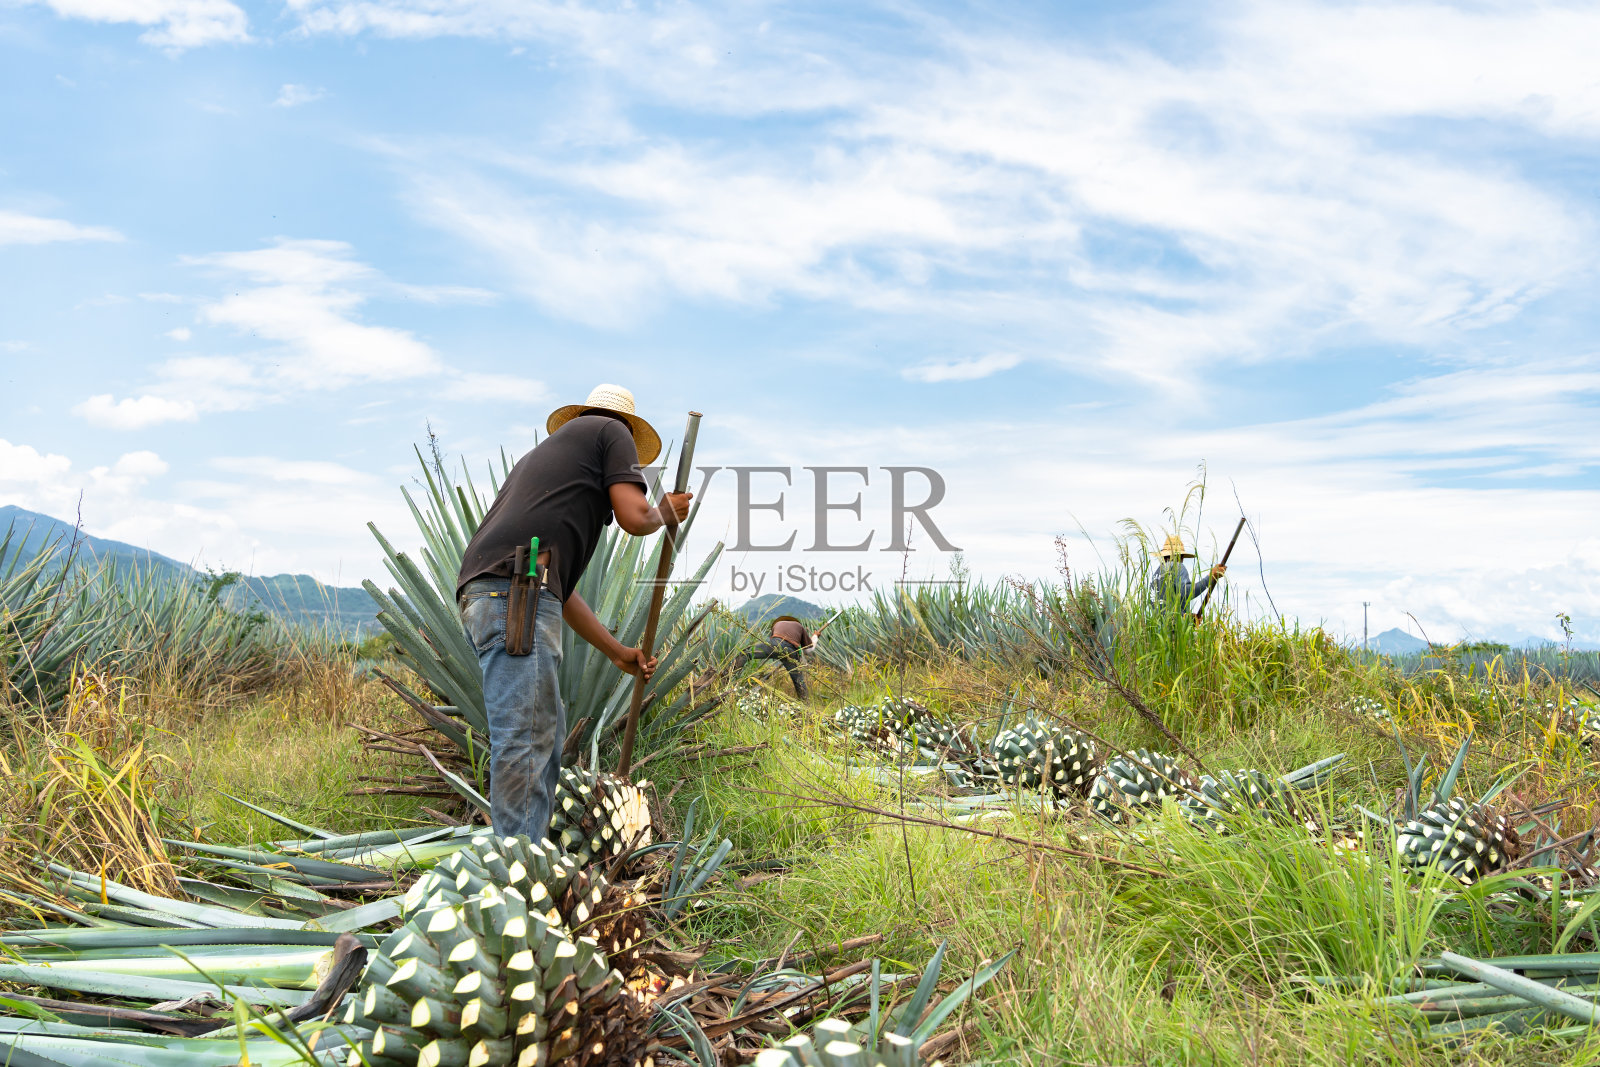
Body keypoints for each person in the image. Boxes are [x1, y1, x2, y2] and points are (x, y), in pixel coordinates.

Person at [455, 384, 692, 841]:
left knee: (542, 736)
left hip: (498, 593)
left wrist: (616, 652)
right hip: (515, 593)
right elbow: (635, 517)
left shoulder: (548, 465)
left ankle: (530, 856)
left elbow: (560, 593)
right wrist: (664, 511)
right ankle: (517, 877)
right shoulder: (610, 429)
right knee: (527, 743)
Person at [732, 614, 814, 699]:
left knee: (745, 653)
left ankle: (729, 679)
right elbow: (809, 649)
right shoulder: (799, 626)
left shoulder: (777, 624)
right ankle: (805, 703)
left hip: (773, 645)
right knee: (798, 680)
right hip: (790, 651)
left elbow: (772, 641)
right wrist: (815, 636)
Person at [1150, 535, 1226, 614]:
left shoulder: (1156, 574)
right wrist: (1210, 577)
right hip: (1175, 625)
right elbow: (1187, 592)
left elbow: (1166, 608)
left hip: (1158, 625)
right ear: (1181, 556)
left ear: (1164, 556)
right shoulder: (1178, 566)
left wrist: (1188, 617)